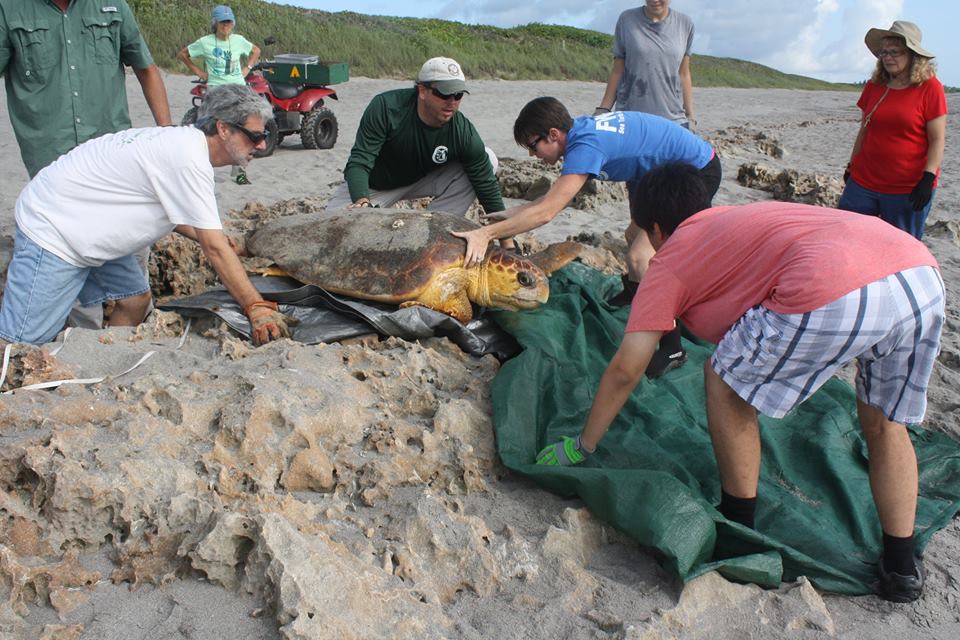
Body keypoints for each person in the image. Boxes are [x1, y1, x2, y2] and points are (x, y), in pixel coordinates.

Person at [536, 162, 944, 604]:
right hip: (918, 274)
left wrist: (584, 443)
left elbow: (625, 368)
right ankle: (902, 568)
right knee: (885, 422)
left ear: (654, 229)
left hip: (834, 284)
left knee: (724, 380)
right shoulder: (738, 219)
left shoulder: (670, 259)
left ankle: (737, 521)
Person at [0, 85, 290, 349]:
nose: (262, 145)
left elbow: (179, 217)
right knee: (19, 345)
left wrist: (221, 239)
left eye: (264, 136)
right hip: (54, 228)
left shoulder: (182, 145)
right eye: (255, 136)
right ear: (223, 128)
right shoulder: (189, 158)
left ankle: (101, 356)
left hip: (91, 222)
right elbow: (213, 248)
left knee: (135, 300)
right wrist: (255, 306)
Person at [452, 97, 721, 377]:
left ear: (554, 134)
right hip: (654, 172)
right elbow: (548, 199)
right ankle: (633, 293)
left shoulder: (585, 146)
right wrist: (509, 215)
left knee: (642, 257)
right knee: (633, 234)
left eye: (534, 145)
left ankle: (673, 346)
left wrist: (486, 235)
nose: (532, 155)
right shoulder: (579, 132)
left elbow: (547, 213)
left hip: (694, 172)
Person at [327, 56, 508, 245]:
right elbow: (359, 162)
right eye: (444, 94)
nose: (452, 102)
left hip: (421, 179)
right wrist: (362, 203)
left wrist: (506, 241)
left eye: (458, 95)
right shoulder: (386, 107)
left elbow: (486, 186)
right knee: (331, 229)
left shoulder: (462, 130)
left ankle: (434, 229)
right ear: (422, 90)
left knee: (488, 159)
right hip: (374, 186)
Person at [0, 0, 172, 179]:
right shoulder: (9, 9)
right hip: (50, 157)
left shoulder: (114, 5)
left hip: (112, 149)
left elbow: (146, 69)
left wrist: (166, 133)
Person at [837, 20, 947, 240]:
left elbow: (937, 139)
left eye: (895, 52)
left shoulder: (930, 88)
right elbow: (864, 130)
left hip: (906, 188)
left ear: (913, 55)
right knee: (846, 237)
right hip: (863, 181)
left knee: (899, 247)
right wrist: (851, 165)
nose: (888, 57)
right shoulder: (874, 85)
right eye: (883, 53)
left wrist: (928, 177)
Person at [178, 4, 261, 185]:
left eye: (229, 22)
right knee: (207, 128)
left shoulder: (238, 40)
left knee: (243, 129)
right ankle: (200, 168)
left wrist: (248, 67)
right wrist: (199, 72)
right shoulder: (205, 42)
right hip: (215, 90)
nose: (226, 26)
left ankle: (239, 172)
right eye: (222, 22)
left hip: (238, 89)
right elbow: (183, 54)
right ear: (215, 23)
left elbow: (256, 51)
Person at [595, 0, 695, 128]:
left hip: (674, 121)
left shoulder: (685, 24)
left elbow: (684, 74)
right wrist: (604, 110)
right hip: (630, 118)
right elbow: (617, 71)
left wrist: (690, 116)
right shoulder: (626, 19)